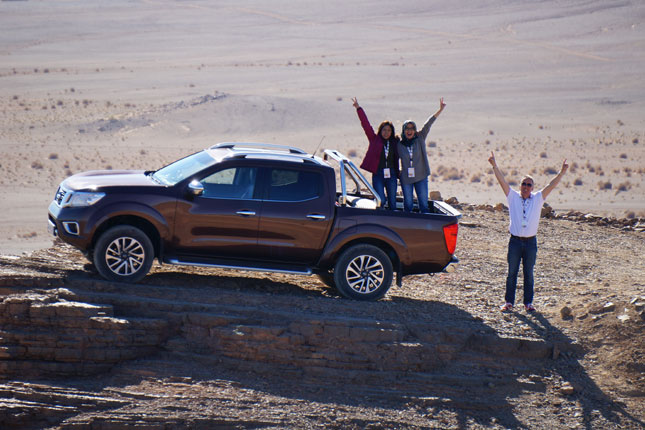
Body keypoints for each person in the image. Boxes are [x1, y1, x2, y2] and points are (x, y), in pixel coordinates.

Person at [488, 151, 569, 313]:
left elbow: (551, 185)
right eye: (523, 184)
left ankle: (528, 303)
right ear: (520, 186)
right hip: (515, 242)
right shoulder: (512, 197)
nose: (526, 187)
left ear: (532, 188)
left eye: (529, 185)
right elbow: (502, 181)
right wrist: (494, 165)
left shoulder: (538, 198)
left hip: (531, 242)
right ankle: (509, 302)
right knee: (512, 272)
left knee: (529, 273)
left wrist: (562, 173)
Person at [398, 98, 446, 213]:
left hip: (421, 176)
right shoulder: (399, 144)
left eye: (412, 129)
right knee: (408, 205)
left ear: (415, 130)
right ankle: (407, 223)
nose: (409, 131)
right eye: (407, 129)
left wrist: (440, 110)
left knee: (424, 204)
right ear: (403, 130)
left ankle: (425, 224)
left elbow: (428, 124)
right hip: (406, 178)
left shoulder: (420, 138)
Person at [351, 97, 400, 210]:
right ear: (380, 130)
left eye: (389, 130)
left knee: (392, 202)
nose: (386, 132)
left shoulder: (395, 142)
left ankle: (392, 219)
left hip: (391, 174)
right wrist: (358, 108)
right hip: (378, 174)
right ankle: (380, 218)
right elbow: (366, 125)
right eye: (384, 130)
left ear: (392, 132)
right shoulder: (374, 139)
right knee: (380, 200)